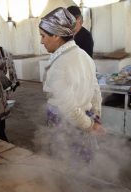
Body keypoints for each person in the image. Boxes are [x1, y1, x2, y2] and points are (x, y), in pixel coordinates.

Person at [39, 7, 104, 163]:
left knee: (66, 170)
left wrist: (89, 126)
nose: (41, 41)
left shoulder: (59, 64)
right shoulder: (84, 56)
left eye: (43, 36)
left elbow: (68, 108)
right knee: (82, 169)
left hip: (66, 127)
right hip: (85, 119)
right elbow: (95, 90)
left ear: (56, 35)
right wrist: (95, 116)